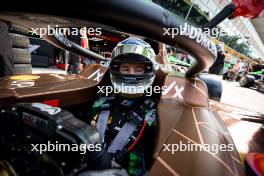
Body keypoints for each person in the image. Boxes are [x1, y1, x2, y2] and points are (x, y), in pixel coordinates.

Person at [86, 37, 158, 175]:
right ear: (116, 69)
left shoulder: (154, 113)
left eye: (138, 69)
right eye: (125, 68)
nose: (131, 73)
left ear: (148, 70)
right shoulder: (99, 104)